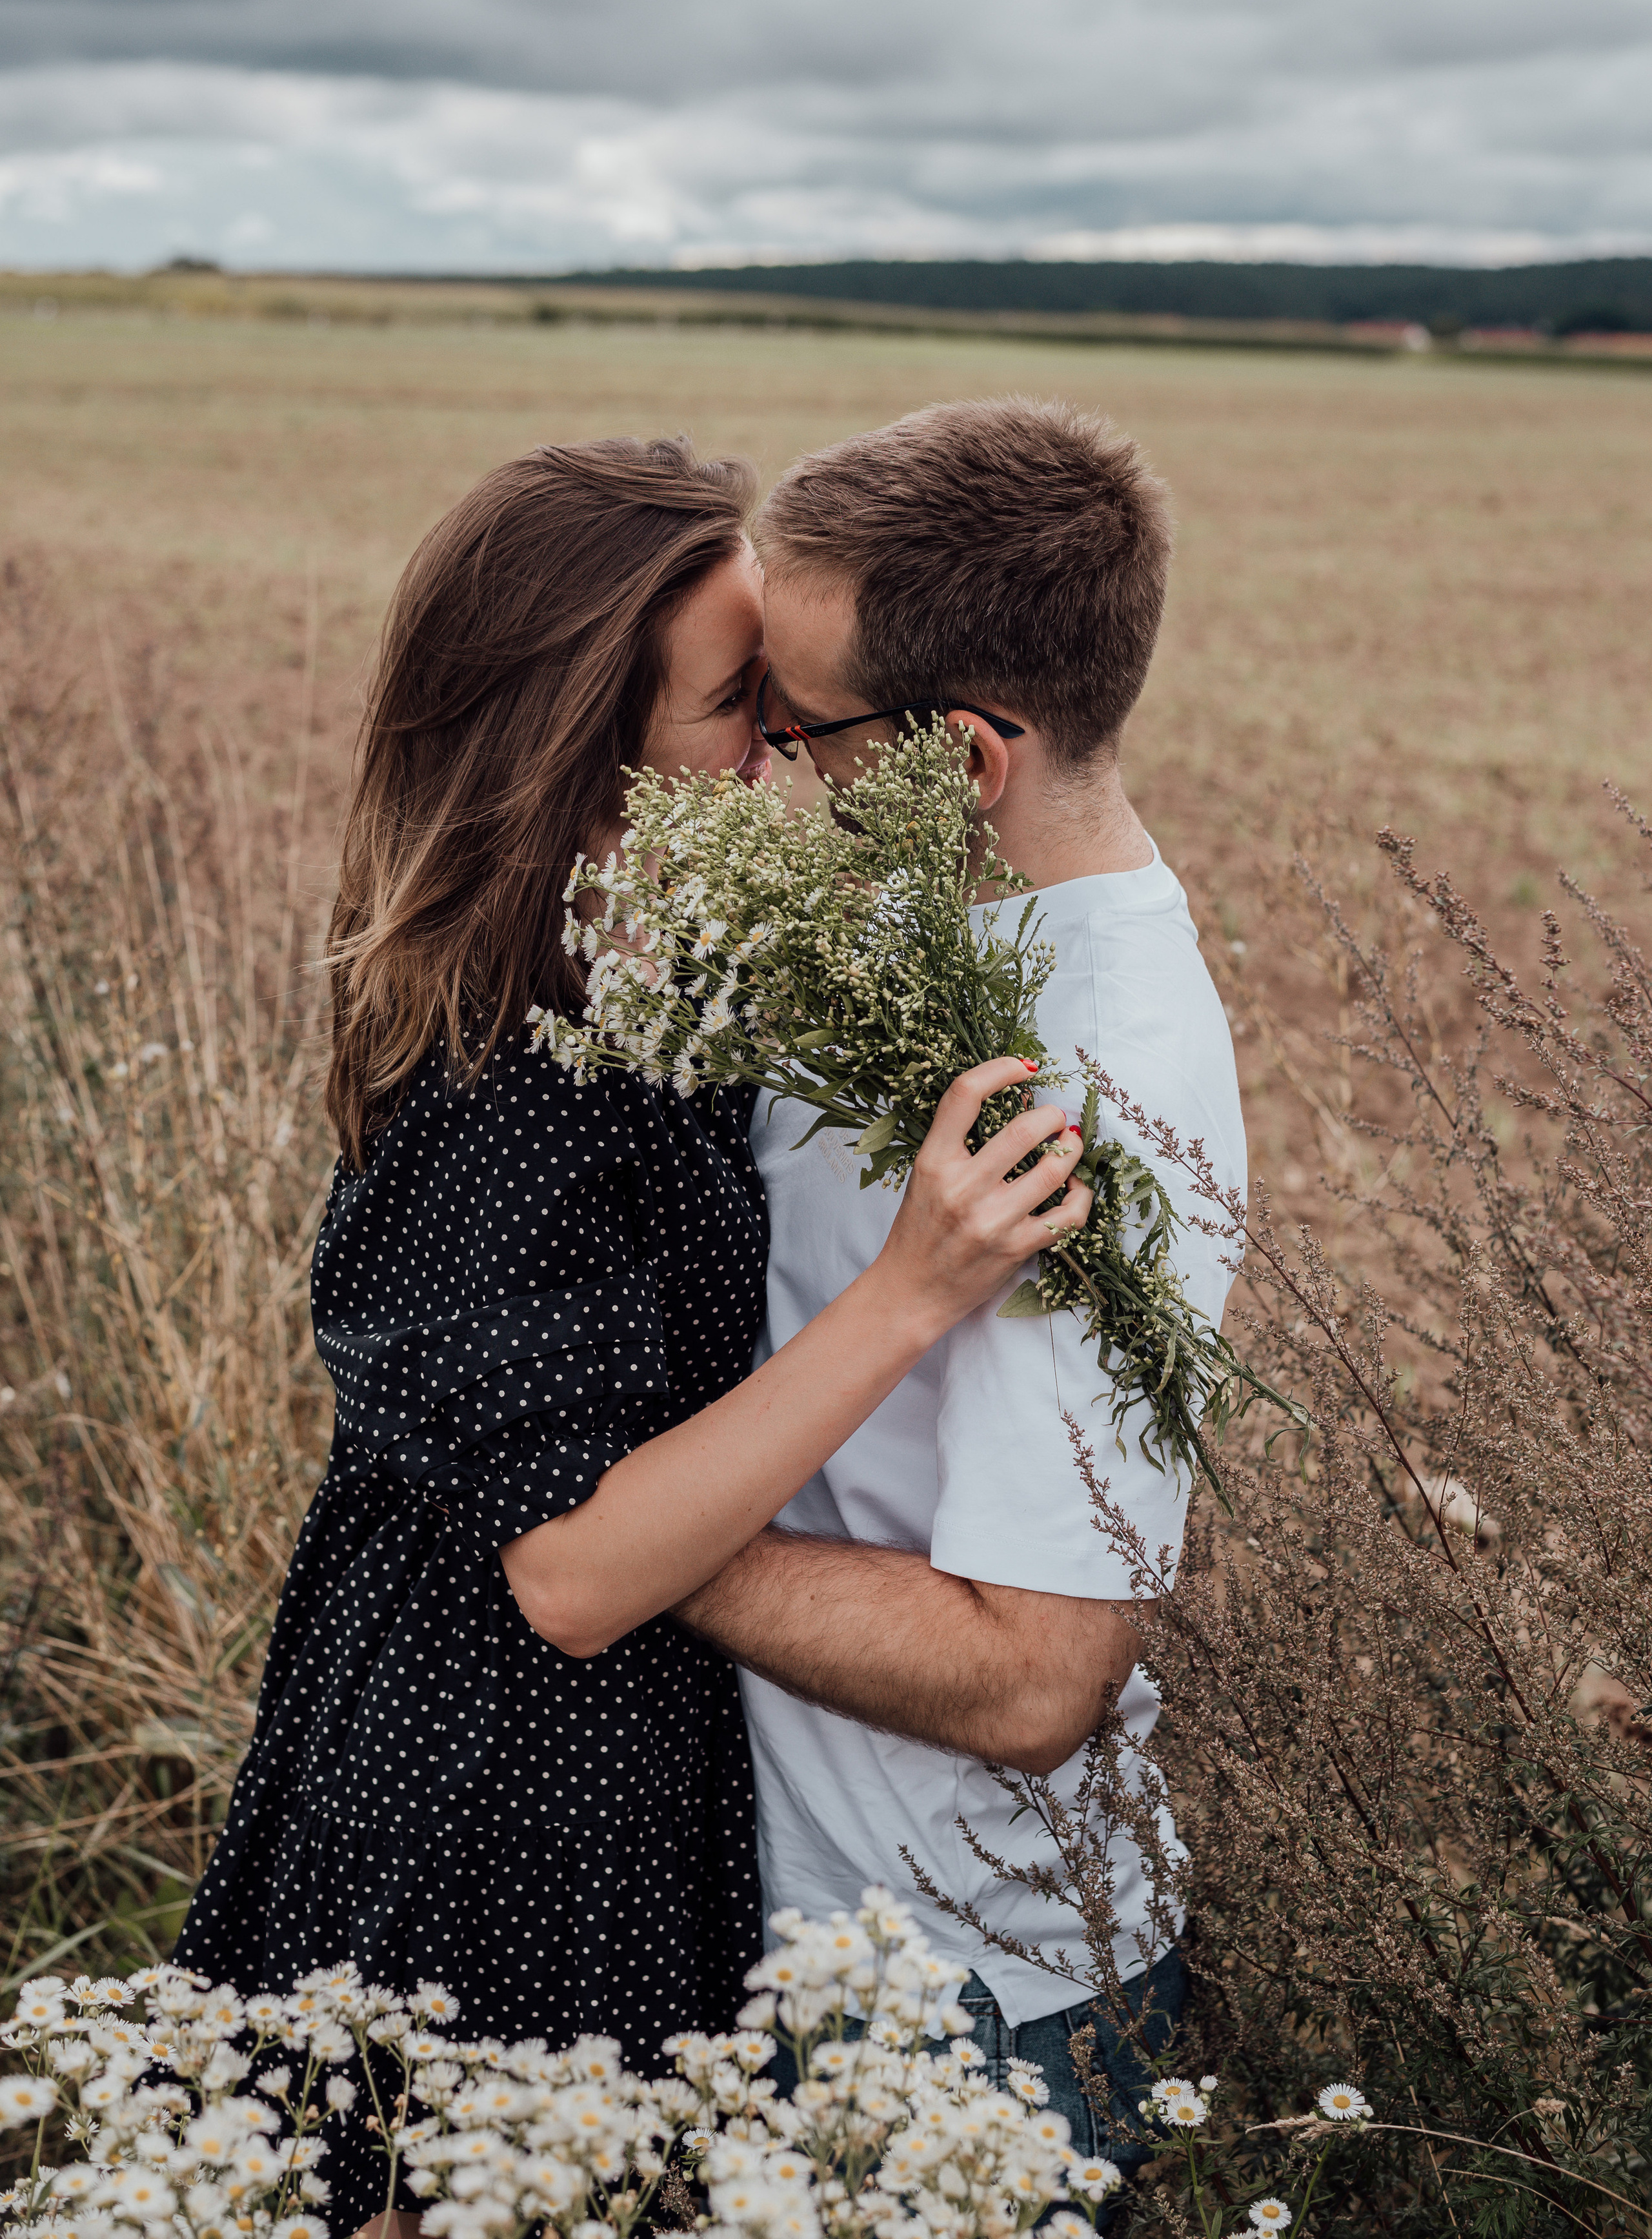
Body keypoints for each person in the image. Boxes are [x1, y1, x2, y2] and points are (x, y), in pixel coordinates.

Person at [170, 434, 1094, 2239]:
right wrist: (910, 1290)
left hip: (629, 1799)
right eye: (741, 707)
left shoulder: (649, 996)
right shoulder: (495, 1092)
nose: (795, 747)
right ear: (589, 777)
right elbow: (578, 1568)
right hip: (480, 1826)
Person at [676, 398, 1246, 2184]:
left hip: (968, 2003)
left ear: (968, 757)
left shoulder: (1097, 1087)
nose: (764, 762)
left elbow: (1031, 1676)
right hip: (807, 1926)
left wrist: (599, 1527)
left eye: (801, 724)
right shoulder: (926, 925)